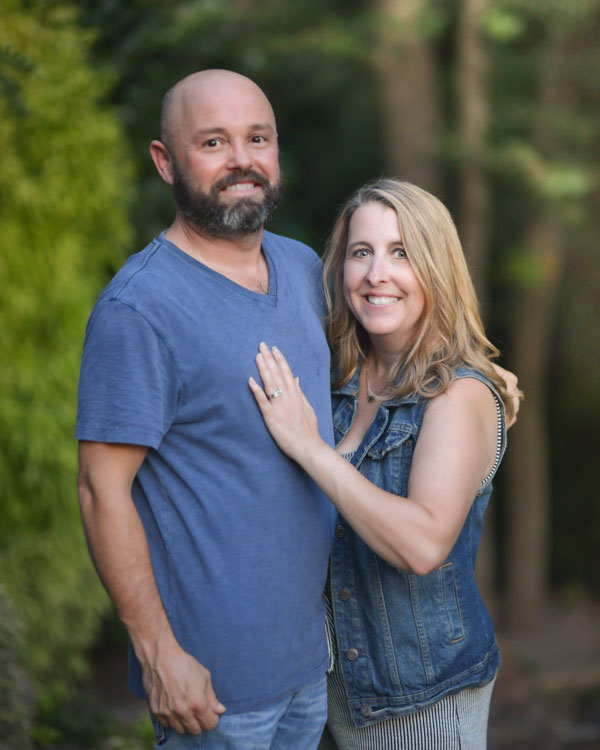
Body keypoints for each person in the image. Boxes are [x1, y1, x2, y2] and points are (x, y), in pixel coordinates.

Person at [75, 69, 336, 749]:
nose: (242, 161)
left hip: (309, 668)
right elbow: (103, 490)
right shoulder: (140, 309)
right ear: (165, 161)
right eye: (213, 142)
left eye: (258, 138)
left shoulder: (305, 268)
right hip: (213, 693)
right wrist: (159, 653)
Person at [249, 178, 519, 749]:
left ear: (436, 269)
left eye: (401, 253)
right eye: (361, 252)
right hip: (324, 691)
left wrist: (311, 449)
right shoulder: (338, 377)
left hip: (422, 699)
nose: (377, 274)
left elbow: (422, 545)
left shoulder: (459, 395)